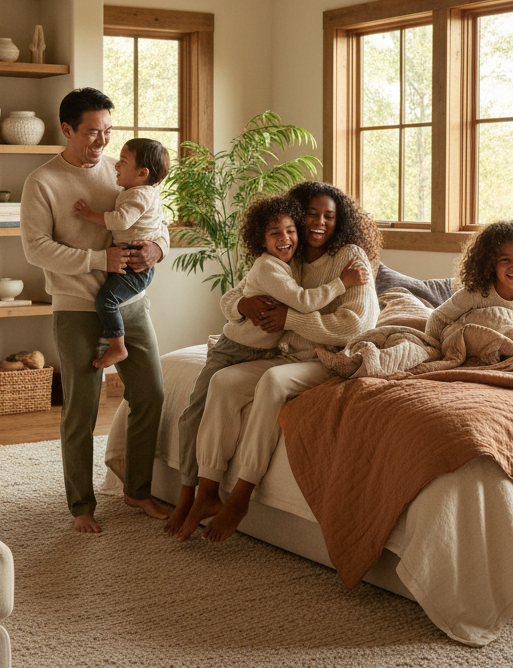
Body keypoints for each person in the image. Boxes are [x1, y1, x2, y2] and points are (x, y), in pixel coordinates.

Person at [169, 181, 382, 542]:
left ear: (340, 221)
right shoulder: (288, 252)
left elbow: (355, 325)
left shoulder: (351, 258)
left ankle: (240, 495)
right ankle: (206, 491)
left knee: (273, 383)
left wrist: (290, 320)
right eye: (311, 214)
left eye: (329, 216)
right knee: (223, 382)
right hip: (283, 355)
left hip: (328, 359)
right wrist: (241, 305)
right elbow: (237, 293)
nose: (319, 223)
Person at [21, 88, 171, 534]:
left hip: (132, 303)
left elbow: (160, 222)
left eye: (107, 131)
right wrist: (95, 260)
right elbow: (35, 249)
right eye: (91, 132)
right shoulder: (41, 182)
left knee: (150, 395)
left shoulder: (123, 172)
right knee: (82, 410)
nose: (102, 142)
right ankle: (81, 507)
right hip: (76, 309)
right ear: (67, 129)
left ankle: (137, 491)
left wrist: (156, 251)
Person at [74, 138, 171, 369]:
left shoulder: (139, 194)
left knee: (106, 300)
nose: (116, 165)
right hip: (132, 260)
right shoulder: (144, 192)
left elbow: (120, 221)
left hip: (134, 262)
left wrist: (89, 214)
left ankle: (118, 346)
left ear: (142, 173)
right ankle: (117, 344)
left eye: (123, 162)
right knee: (108, 299)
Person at [425, 218, 513, 348]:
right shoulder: (475, 294)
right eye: (505, 260)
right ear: (490, 263)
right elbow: (438, 318)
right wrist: (434, 349)